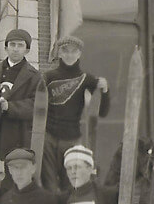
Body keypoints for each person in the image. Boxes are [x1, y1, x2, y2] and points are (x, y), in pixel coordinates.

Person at [41, 35, 109, 192]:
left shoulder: (87, 79)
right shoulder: (48, 77)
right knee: (49, 183)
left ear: (79, 54)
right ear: (59, 53)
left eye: (73, 52)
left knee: (71, 183)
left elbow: (101, 112)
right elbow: (36, 104)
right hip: (48, 137)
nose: (69, 55)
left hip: (72, 139)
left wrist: (105, 91)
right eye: (65, 51)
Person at [0, 29, 41, 159]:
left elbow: (36, 105)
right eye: (12, 45)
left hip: (18, 134)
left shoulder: (34, 76)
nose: (15, 49)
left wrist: (10, 107)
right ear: (6, 48)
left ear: (27, 50)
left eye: (20, 45)